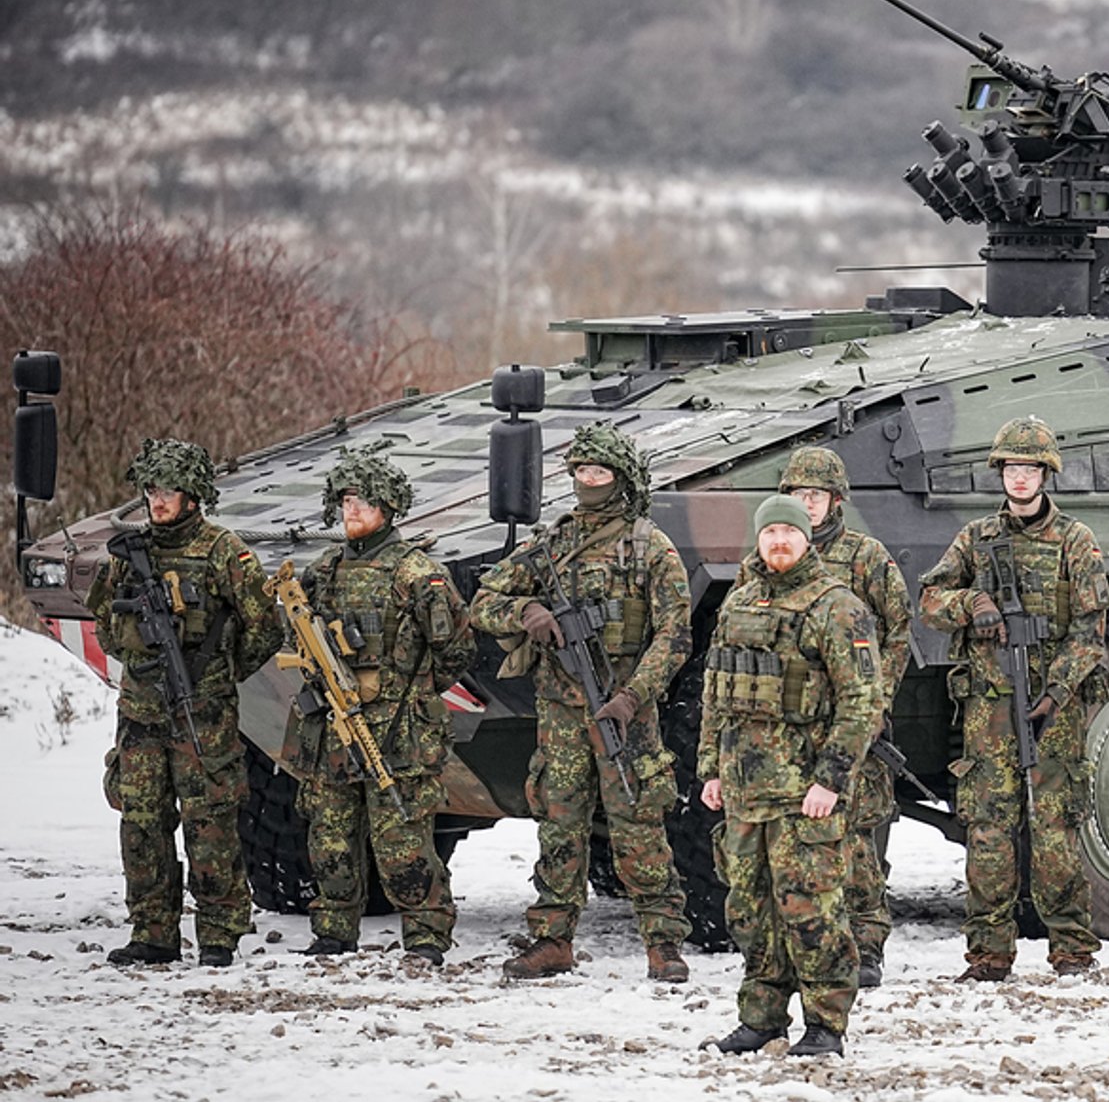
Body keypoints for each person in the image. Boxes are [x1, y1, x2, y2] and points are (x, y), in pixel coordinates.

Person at [470, 422, 694, 982]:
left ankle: (663, 943)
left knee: (639, 825)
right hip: (562, 713)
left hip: (624, 712)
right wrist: (527, 614)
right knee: (559, 824)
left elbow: (675, 635)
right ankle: (552, 940)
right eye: (580, 472)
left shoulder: (649, 547)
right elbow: (485, 598)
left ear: (620, 478)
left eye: (598, 472)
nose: (587, 481)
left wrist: (634, 696)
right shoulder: (552, 544)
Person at [918, 415, 1108, 982]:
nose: (1020, 479)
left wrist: (1056, 690)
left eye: (1029, 469)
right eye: (1011, 469)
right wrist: (971, 605)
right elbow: (930, 598)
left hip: (1055, 706)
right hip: (989, 707)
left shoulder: (1075, 540)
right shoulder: (975, 539)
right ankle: (989, 954)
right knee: (989, 828)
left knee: (1055, 829)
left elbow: (1092, 628)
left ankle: (1072, 949)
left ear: (1045, 474)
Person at [700, 495, 884, 1058]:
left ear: (808, 538)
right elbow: (715, 695)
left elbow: (862, 701)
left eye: (789, 532)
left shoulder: (836, 607)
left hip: (803, 793)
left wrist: (829, 780)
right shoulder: (739, 601)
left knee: (811, 911)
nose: (779, 542)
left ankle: (826, 1023)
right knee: (749, 912)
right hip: (744, 792)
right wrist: (711, 769)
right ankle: (761, 1018)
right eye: (770, 533)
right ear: (757, 540)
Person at [86, 438, 281, 968]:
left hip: (203, 712)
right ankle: (153, 932)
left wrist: (218, 671)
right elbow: (104, 621)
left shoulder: (223, 552)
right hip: (142, 711)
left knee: (210, 822)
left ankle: (218, 935)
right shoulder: (129, 555)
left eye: (169, 490)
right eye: (151, 490)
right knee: (142, 822)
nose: (158, 500)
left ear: (193, 495)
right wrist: (136, 650)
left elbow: (267, 626)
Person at [289, 444, 473, 967]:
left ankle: (426, 935)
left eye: (363, 502)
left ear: (388, 508)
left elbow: (456, 651)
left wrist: (403, 693)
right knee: (330, 836)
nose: (352, 511)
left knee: (401, 838)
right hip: (331, 726)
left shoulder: (418, 576)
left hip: (397, 732)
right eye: (346, 500)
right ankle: (333, 929)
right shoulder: (322, 571)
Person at [771, 446, 911, 989]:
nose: (807, 506)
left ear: (835, 501)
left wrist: (874, 705)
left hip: (856, 725)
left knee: (858, 839)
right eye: (798, 496)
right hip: (792, 726)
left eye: (816, 496)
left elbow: (898, 636)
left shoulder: (866, 557)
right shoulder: (771, 559)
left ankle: (866, 943)